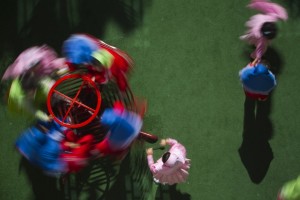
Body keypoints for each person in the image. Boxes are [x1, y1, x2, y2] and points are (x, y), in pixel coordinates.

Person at [1, 45, 66, 122]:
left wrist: (64, 98)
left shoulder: (36, 79)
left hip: (28, 84)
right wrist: (45, 118)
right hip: (17, 94)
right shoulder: (23, 99)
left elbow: (50, 86)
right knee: (36, 102)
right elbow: (33, 111)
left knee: (47, 93)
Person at [62, 33, 133, 91]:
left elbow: (104, 77)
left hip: (113, 65)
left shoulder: (114, 66)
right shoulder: (85, 47)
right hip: (99, 59)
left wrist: (94, 79)